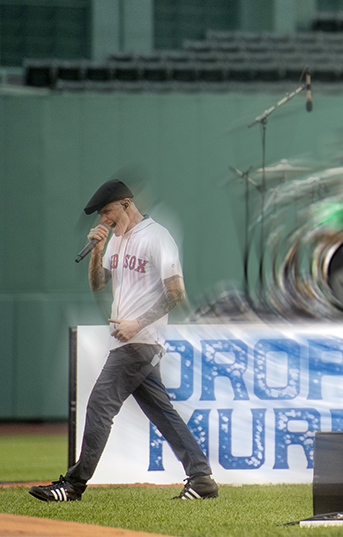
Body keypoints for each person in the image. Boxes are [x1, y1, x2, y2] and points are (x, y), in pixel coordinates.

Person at [30, 179, 218, 502]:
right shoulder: (116, 241)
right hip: (127, 342)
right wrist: (98, 250)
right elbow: (98, 284)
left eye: (107, 212)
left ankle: (73, 485)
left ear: (127, 205)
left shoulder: (157, 237)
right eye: (101, 215)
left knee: (101, 405)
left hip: (141, 342)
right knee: (163, 414)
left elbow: (176, 293)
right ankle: (202, 478)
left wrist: (138, 324)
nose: (103, 220)